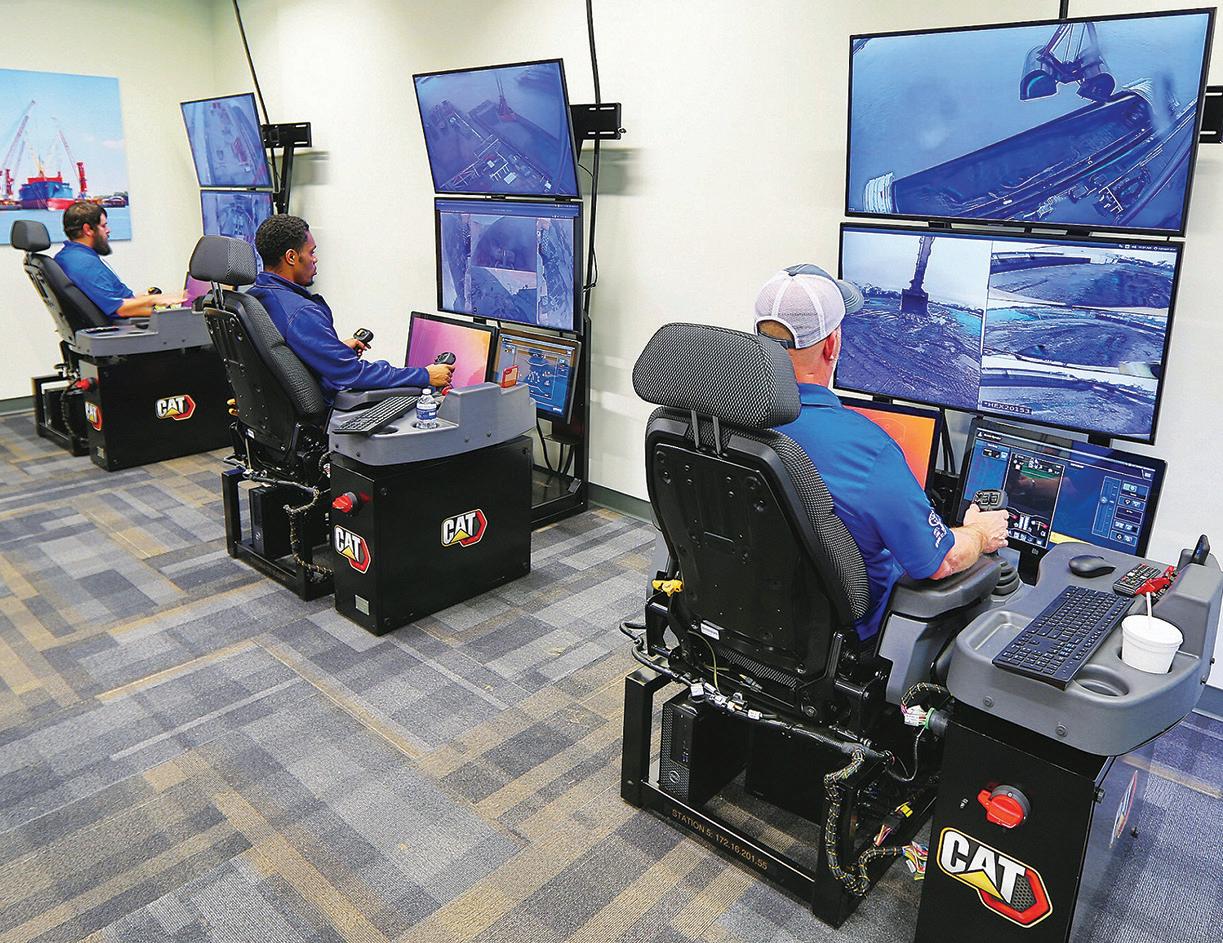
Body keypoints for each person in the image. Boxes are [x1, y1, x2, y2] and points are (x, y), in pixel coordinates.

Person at [753, 264, 1009, 641]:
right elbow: (941, 562)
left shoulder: (718, 415)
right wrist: (980, 533)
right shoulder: (865, 449)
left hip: (746, 622)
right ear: (832, 345)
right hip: (850, 643)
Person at [249, 216, 453, 401]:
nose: (315, 259)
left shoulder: (254, 298)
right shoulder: (300, 313)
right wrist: (425, 375)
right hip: (326, 416)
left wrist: (333, 349)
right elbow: (353, 374)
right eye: (311, 252)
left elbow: (288, 355)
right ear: (291, 257)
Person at [54, 201, 185, 318]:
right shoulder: (85, 264)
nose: (108, 230)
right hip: (122, 326)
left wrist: (145, 299)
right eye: (103, 226)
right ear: (88, 230)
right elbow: (119, 309)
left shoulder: (66, 256)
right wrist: (157, 302)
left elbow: (110, 299)